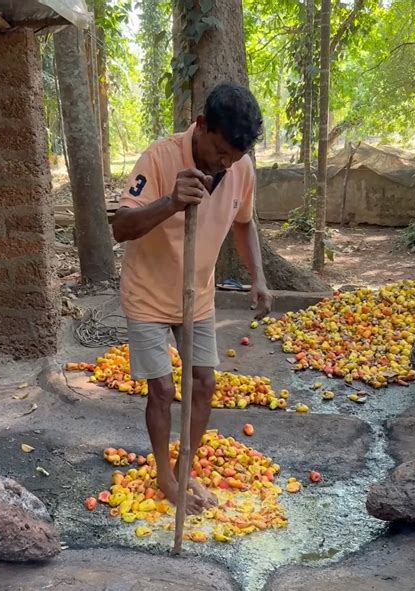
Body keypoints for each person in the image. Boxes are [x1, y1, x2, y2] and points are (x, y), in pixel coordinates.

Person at [112, 83, 273, 515]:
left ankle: (186, 467)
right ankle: (164, 475)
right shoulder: (160, 157)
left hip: (198, 294)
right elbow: (121, 227)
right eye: (220, 152)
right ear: (201, 126)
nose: (225, 164)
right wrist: (170, 202)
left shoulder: (241, 169)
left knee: (204, 383)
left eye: (233, 158)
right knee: (162, 390)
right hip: (148, 293)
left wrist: (257, 277)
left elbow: (243, 223)